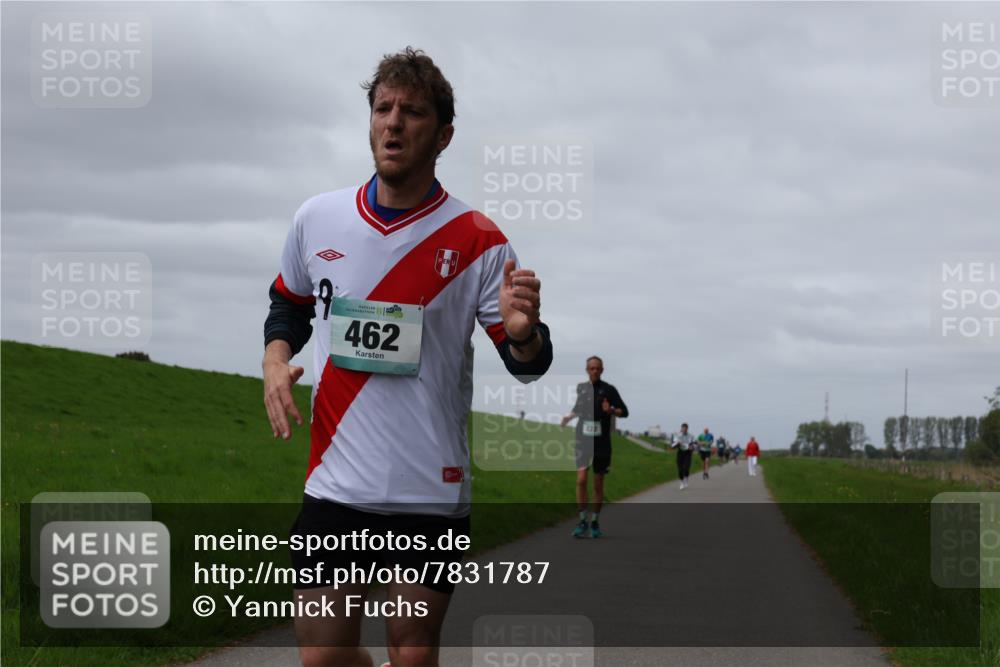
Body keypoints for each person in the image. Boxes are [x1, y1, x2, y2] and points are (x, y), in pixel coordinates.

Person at [262, 48, 553, 667]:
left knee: (412, 652)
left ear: (443, 135)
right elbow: (287, 303)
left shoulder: (479, 240)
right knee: (322, 657)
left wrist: (525, 333)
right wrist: (275, 358)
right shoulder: (318, 218)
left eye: (413, 112)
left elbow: (525, 362)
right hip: (337, 483)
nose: (393, 122)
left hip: (429, 489)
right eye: (383, 108)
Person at [561, 356, 629, 538]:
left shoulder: (609, 390)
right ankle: (583, 520)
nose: (595, 371)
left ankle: (595, 522)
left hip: (601, 442)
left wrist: (611, 410)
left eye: (598, 368)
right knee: (581, 480)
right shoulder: (582, 388)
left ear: (602, 370)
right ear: (587, 370)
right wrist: (569, 417)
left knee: (598, 485)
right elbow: (578, 408)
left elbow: (625, 412)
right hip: (583, 440)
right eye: (592, 368)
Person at [671, 423, 697, 490]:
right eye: (683, 428)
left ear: (687, 429)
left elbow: (695, 444)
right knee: (680, 469)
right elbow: (672, 445)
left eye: (685, 428)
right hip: (680, 453)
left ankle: (686, 479)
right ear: (681, 428)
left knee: (686, 467)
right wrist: (677, 443)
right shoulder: (678, 436)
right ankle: (681, 483)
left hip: (688, 453)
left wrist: (692, 447)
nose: (684, 430)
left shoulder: (691, 436)